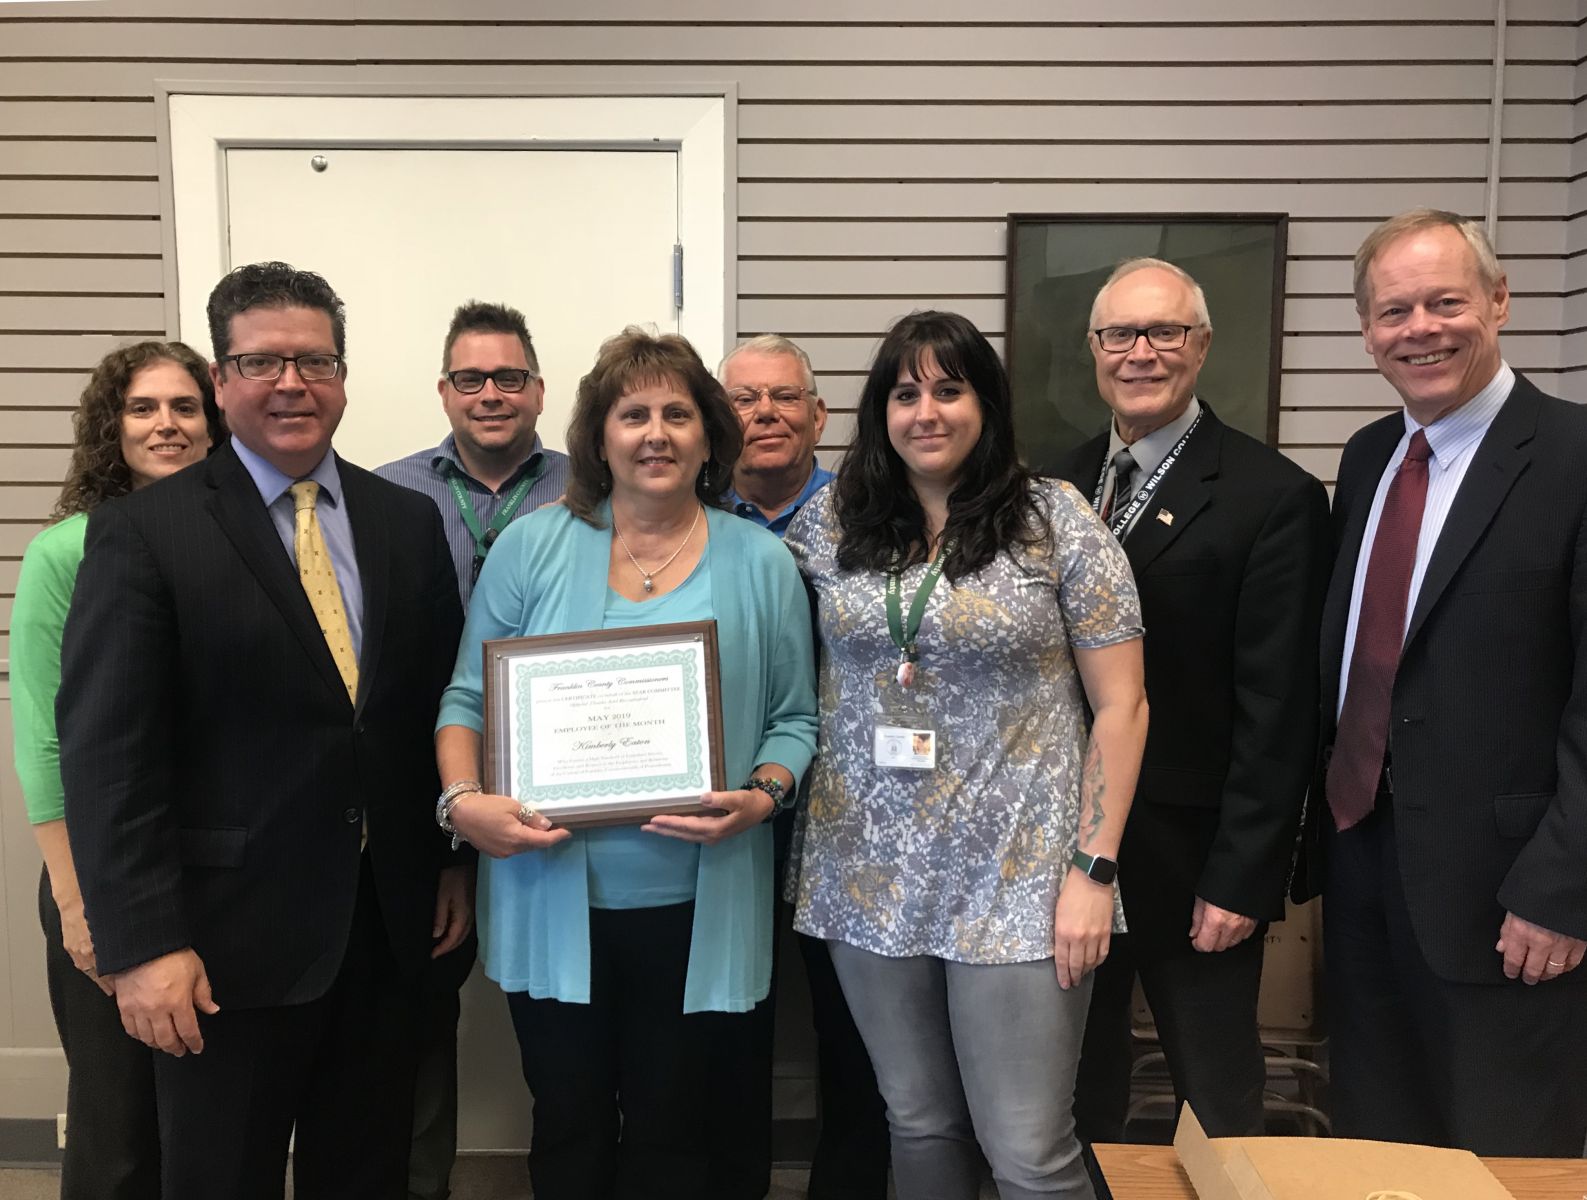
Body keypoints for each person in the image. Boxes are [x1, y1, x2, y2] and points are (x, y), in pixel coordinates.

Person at [57, 262, 466, 1200]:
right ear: (220, 378)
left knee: (366, 1173)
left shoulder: (406, 522)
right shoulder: (145, 533)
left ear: (344, 375)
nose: (292, 382)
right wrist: (143, 945)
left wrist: (451, 865)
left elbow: (432, 713)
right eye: (262, 361)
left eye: (314, 359)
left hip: (386, 929)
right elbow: (108, 758)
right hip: (217, 948)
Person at [434, 326, 818, 1200]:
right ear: (598, 435)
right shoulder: (533, 546)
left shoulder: (760, 560)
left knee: (674, 1128)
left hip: (696, 906)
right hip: (550, 896)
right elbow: (465, 698)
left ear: (708, 434)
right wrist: (462, 802)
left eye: (677, 414)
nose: (656, 433)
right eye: (633, 413)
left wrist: (762, 797)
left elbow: (795, 720)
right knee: (565, 1120)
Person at [785, 310, 1148, 1200]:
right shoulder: (832, 521)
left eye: (949, 389)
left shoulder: (1053, 520)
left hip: (1022, 874)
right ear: (878, 413)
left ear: (985, 403)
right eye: (905, 393)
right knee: (917, 1122)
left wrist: (1092, 871)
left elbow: (1122, 705)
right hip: (865, 870)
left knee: (1026, 1147)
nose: (926, 412)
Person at [1294, 208, 1587, 1155]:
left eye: (1443, 302)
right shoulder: (1370, 454)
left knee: (1505, 1154)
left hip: (1509, 894)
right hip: (1363, 861)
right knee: (1379, 1145)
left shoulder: (1575, 459)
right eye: (1391, 312)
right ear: (1367, 332)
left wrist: (1561, 886)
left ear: (1498, 302)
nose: (1417, 329)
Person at [1060, 259, 1331, 1140]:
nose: (1139, 353)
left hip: (1195, 856)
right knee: (1076, 1086)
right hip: (1065, 847)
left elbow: (1277, 709)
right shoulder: (1049, 487)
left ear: (1201, 345)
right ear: (1093, 350)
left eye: (1163, 332)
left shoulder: (1271, 496)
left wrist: (1243, 877)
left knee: (1212, 1095)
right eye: (1119, 335)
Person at [11, 341, 224, 1200]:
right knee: (119, 1123)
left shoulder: (242, 541)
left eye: (185, 407)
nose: (167, 425)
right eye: (143, 408)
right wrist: (75, 898)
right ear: (112, 426)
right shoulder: (67, 551)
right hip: (98, 871)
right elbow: (44, 737)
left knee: (202, 1117)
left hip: (210, 865)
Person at [376, 299, 569, 1200]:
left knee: (572, 1009)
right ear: (444, 391)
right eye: (470, 378)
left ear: (538, 388)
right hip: (424, 789)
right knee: (413, 1014)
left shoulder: (595, 485)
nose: (490, 394)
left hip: (574, 786)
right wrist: (448, 842)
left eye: (508, 377)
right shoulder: (384, 495)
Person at [719, 334, 889, 1200]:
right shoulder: (690, 524)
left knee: (850, 1033)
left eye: (784, 398)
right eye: (744, 399)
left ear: (819, 416)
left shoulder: (872, 515)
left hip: (850, 817)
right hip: (724, 823)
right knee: (731, 1030)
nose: (764, 415)